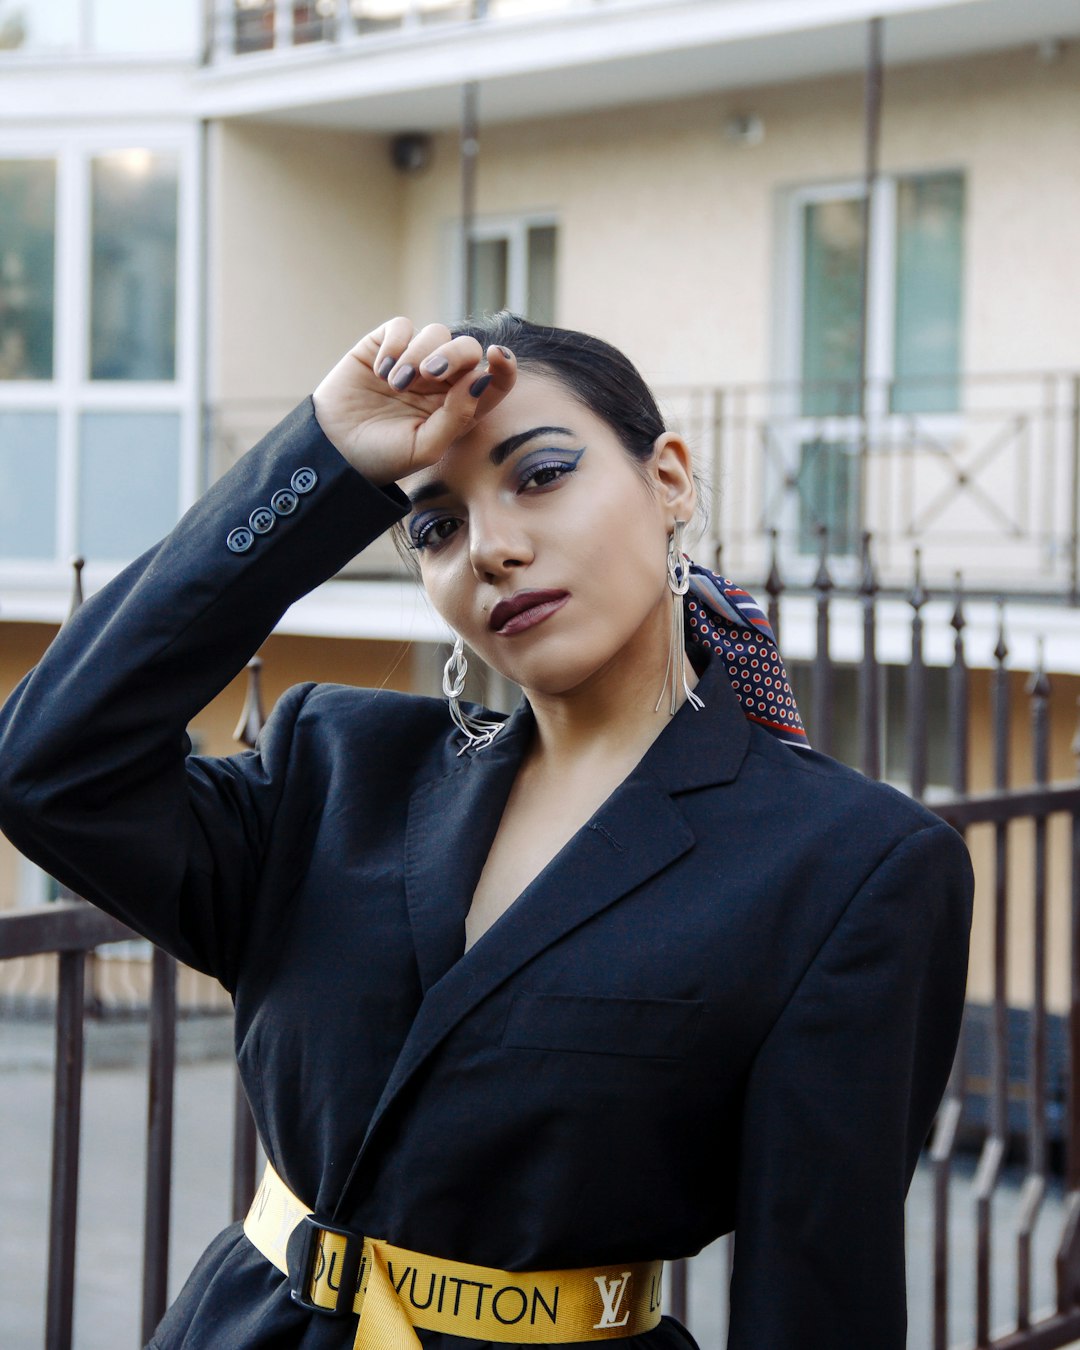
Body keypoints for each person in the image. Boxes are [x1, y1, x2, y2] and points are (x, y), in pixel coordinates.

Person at [0, 314, 973, 1350]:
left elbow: (818, 1302)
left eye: (543, 474)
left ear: (670, 481)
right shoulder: (334, 771)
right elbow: (48, 767)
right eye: (435, 527)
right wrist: (323, 458)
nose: (495, 549)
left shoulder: (850, 864)